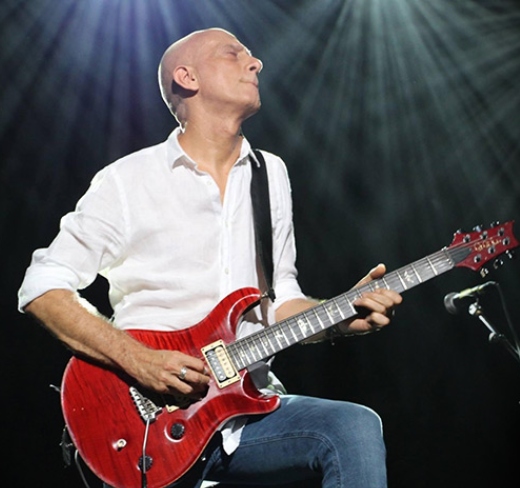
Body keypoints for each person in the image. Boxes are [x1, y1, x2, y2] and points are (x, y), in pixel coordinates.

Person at [18, 28, 402, 488]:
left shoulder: (270, 174)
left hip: (248, 409)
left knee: (352, 428)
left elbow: (280, 300)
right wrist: (139, 360)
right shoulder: (127, 180)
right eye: (233, 54)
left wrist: (340, 315)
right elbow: (41, 287)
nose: (255, 62)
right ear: (188, 77)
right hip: (147, 422)